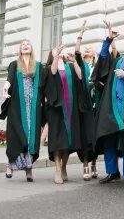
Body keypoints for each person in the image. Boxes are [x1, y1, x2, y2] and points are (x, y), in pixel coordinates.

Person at [93, 20, 124, 185]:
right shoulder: (117, 61)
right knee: (110, 140)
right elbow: (103, 57)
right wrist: (108, 40)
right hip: (111, 109)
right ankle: (112, 172)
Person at [0, 40, 43, 182]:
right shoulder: (14, 64)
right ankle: (10, 165)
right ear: (20, 49)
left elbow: (42, 84)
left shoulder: (37, 66)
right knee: (16, 135)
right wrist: (6, 88)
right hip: (17, 105)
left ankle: (29, 169)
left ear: (31, 49)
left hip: (33, 106)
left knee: (31, 136)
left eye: (28, 44)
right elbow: (9, 79)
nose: (25, 45)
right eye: (23, 44)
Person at [45, 42, 84, 184]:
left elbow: (80, 76)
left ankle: (64, 167)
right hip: (56, 109)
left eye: (60, 50)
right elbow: (54, 72)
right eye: (55, 49)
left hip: (71, 108)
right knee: (57, 140)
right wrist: (56, 57)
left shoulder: (69, 67)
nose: (59, 51)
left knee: (68, 141)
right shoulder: (49, 68)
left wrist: (74, 62)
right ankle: (57, 169)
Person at [74, 21, 97, 181]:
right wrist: (80, 34)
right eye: (85, 48)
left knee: (95, 138)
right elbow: (76, 52)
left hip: (97, 107)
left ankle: (94, 163)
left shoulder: (99, 66)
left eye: (90, 48)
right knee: (86, 137)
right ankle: (85, 165)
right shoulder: (82, 66)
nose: (87, 49)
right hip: (85, 107)